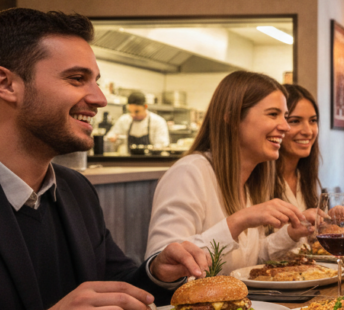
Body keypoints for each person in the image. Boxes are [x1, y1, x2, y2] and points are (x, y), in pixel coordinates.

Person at [0, 8, 206, 310]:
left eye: (96, 82)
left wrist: (158, 273)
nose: (99, 99)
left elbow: (118, 288)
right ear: (5, 84)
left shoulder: (75, 189)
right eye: (77, 79)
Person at [146, 72, 315, 271]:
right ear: (232, 118)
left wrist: (292, 234)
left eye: (285, 117)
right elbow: (163, 266)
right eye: (273, 114)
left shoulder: (250, 181)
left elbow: (250, 262)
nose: (285, 127)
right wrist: (238, 221)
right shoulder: (189, 173)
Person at [277, 84, 321, 210]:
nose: (308, 131)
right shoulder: (259, 182)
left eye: (313, 120)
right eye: (295, 121)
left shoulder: (305, 176)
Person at [104, 91, 170, 152]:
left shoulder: (158, 121)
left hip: (151, 161)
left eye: (137, 111)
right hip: (128, 160)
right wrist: (112, 138)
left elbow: (162, 145)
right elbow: (111, 135)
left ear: (145, 106)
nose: (133, 115)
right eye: (130, 111)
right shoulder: (124, 120)